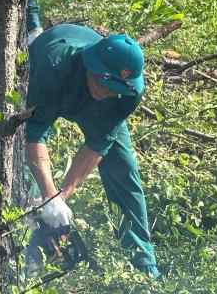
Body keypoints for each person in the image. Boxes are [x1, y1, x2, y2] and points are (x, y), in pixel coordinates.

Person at [25, 25, 159, 278]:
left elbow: (98, 145)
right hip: (53, 85)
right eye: (102, 81)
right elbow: (33, 134)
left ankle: (144, 267)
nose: (106, 91)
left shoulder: (128, 94)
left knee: (123, 169)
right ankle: (29, 253)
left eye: (114, 89)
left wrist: (61, 197)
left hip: (88, 103)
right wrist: (48, 195)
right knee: (25, 172)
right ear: (91, 64)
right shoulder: (53, 64)